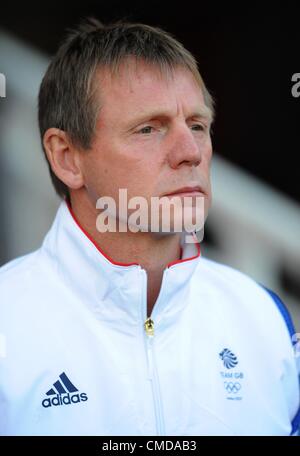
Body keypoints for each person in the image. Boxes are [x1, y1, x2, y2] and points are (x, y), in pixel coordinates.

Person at [0, 18, 299, 437]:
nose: (190, 152)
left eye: (197, 125)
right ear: (67, 157)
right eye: (149, 129)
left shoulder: (264, 319)